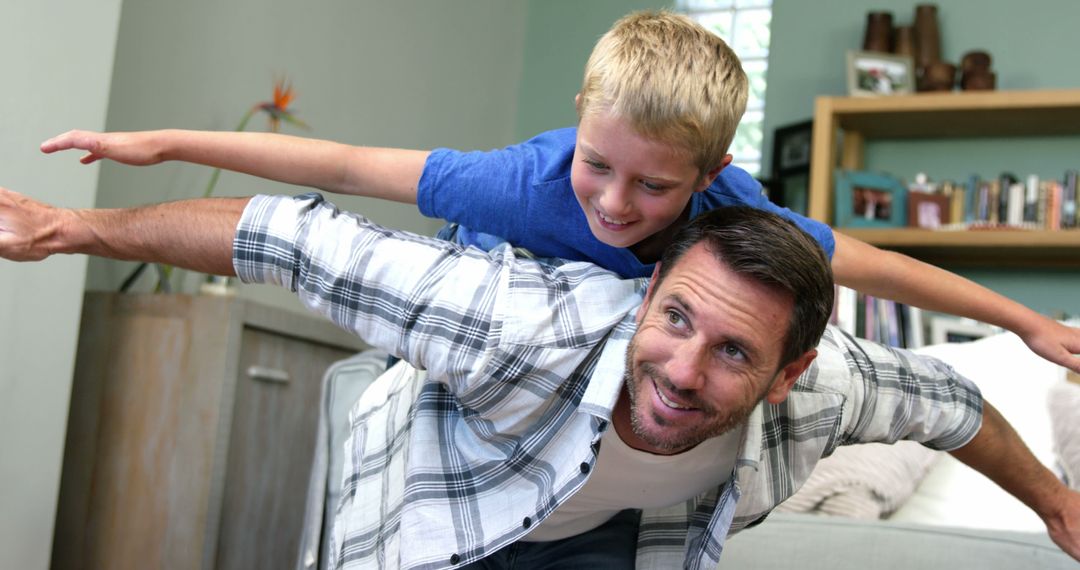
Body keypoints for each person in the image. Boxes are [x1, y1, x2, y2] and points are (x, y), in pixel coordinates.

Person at [1, 186, 1077, 569]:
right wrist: (74, 225)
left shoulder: (836, 381)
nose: (681, 371)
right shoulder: (517, 327)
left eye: (735, 354)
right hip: (440, 500)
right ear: (644, 300)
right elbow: (283, 235)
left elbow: (954, 405)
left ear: (790, 373)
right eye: (675, 322)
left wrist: (1058, 505)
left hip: (616, 539)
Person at [38, 10, 1080, 373]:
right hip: (493, 273)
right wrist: (156, 140)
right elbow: (349, 167)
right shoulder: (522, 183)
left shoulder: (735, 213)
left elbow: (870, 259)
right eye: (599, 163)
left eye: (653, 185)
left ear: (711, 177)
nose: (617, 203)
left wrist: (1027, 322)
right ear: (578, 119)